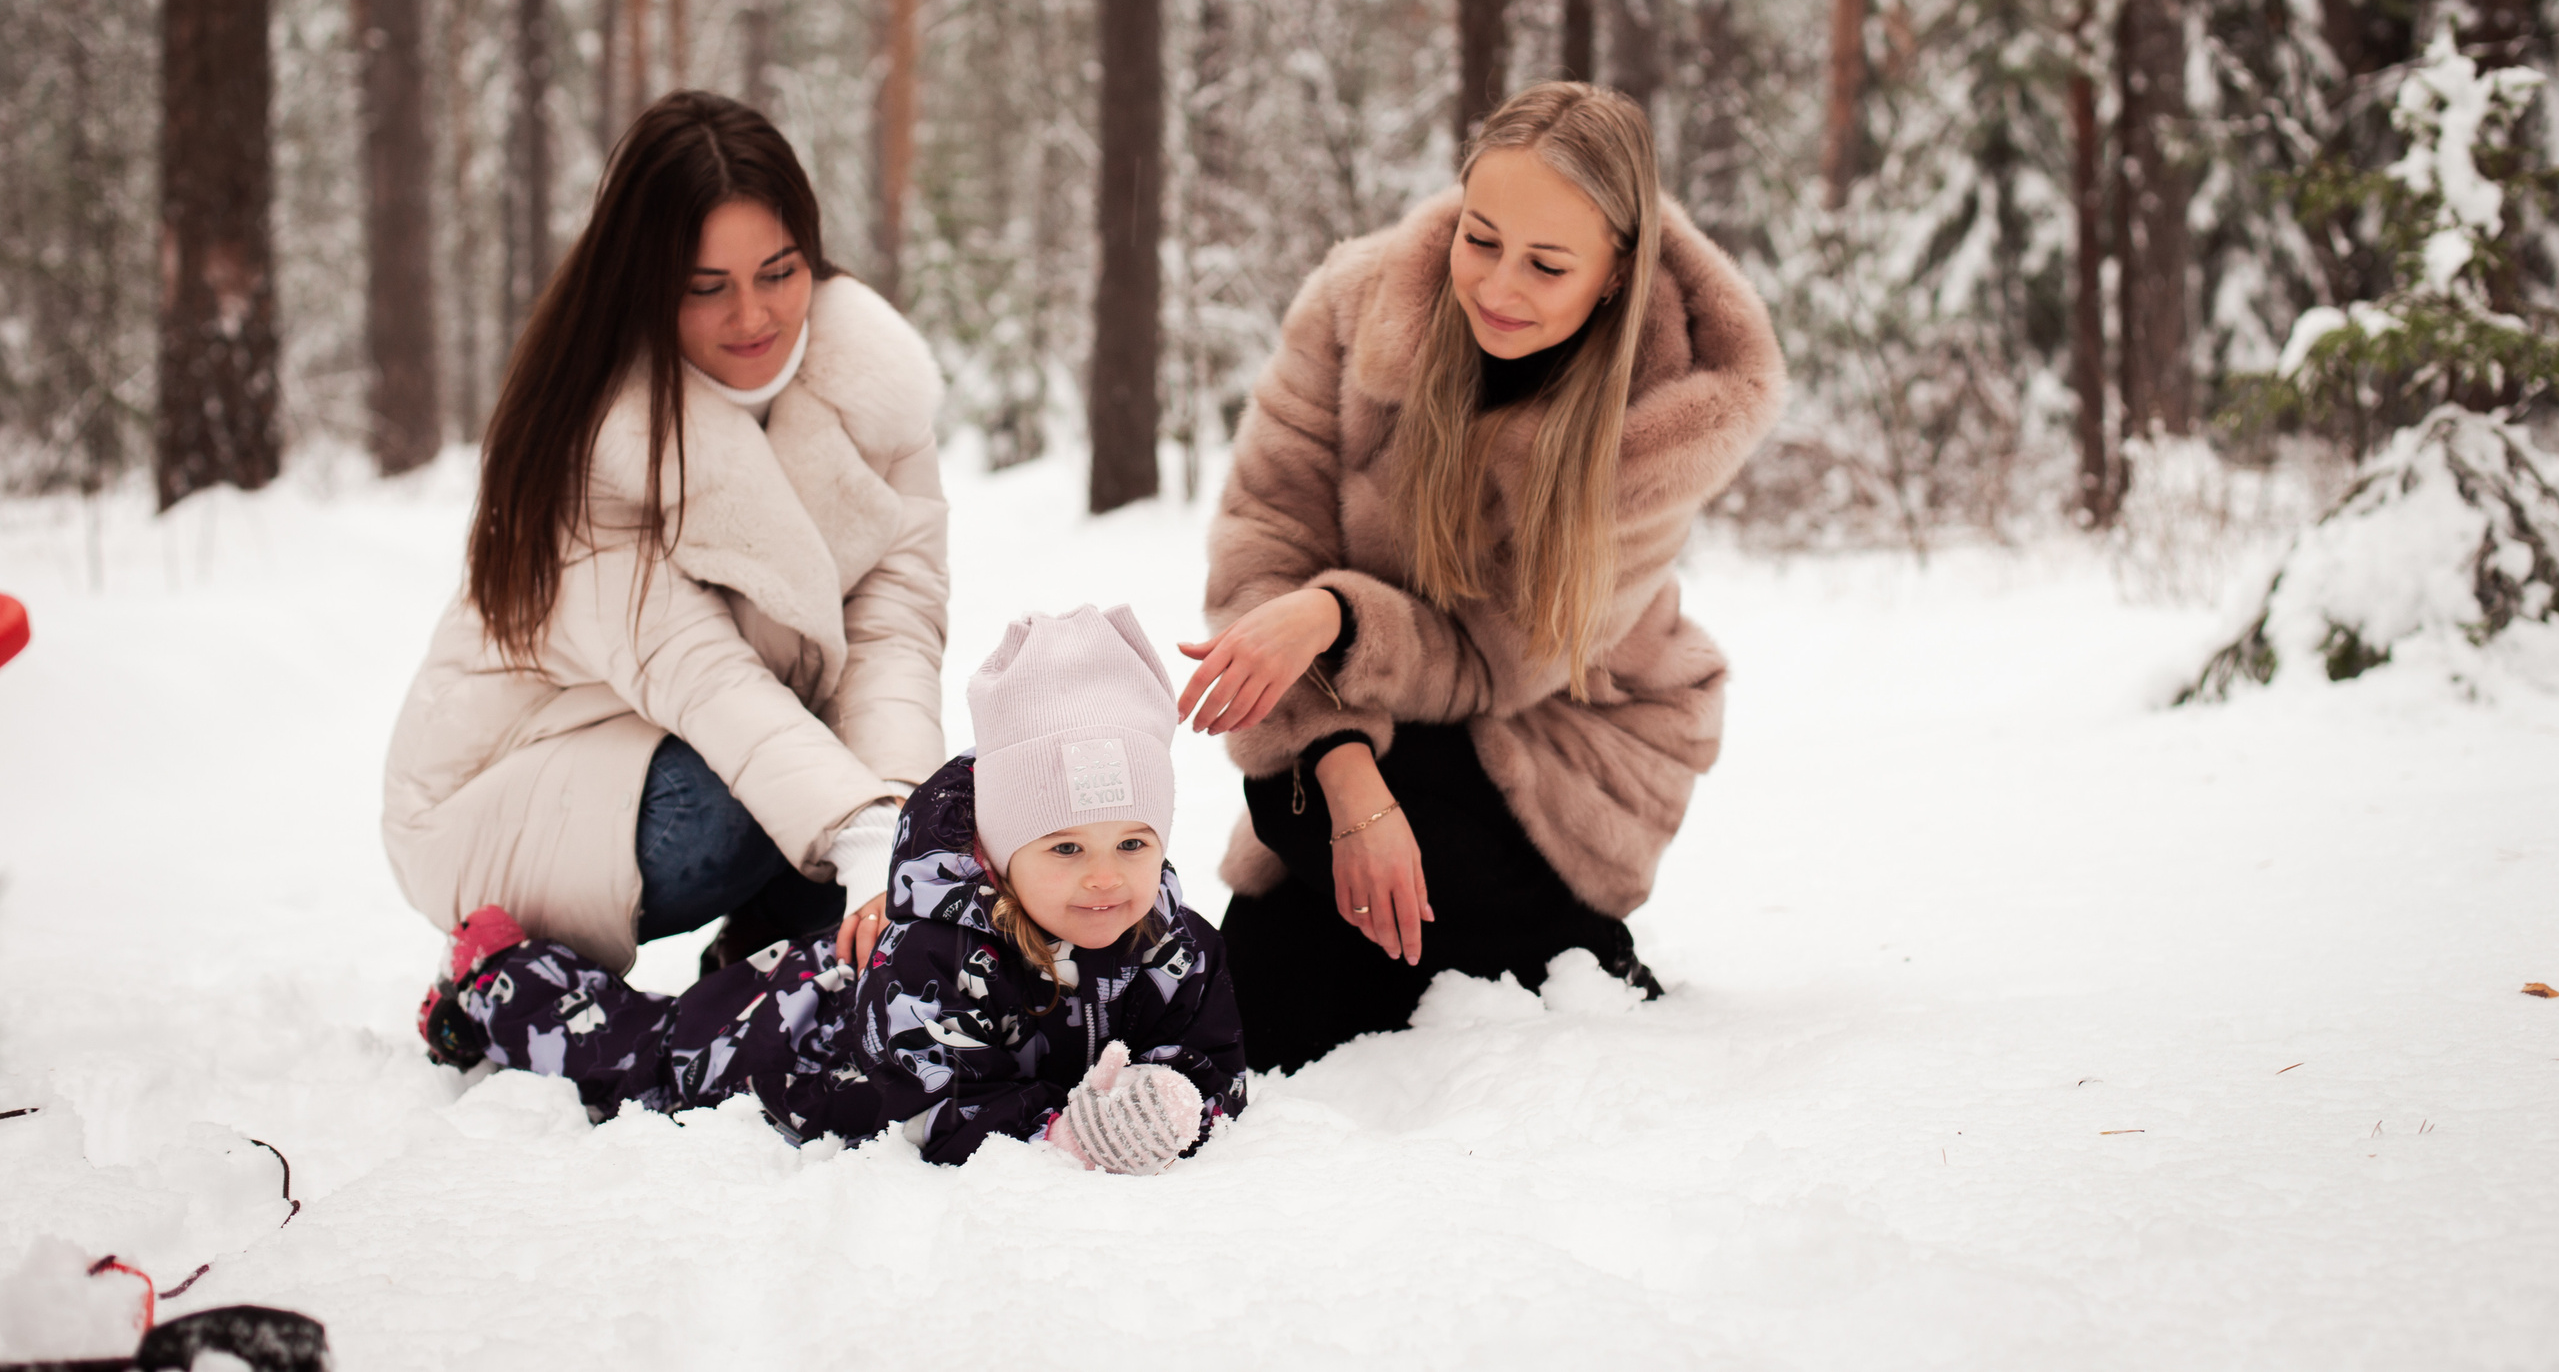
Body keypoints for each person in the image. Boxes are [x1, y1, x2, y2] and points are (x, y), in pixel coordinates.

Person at [1177, 81, 1786, 1073]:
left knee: (1328, 836)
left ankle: (1571, 952)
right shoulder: (1351, 304)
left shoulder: (1672, 409)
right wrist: (1344, 769)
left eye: (1548, 265)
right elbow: (1262, 537)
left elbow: (1489, 663)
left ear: (1613, 274)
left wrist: (1328, 616)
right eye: (1480, 238)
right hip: (1361, 730)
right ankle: (1440, 956)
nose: (1500, 287)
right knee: (1272, 928)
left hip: (1564, 748)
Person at [383, 91, 947, 1008]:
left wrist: (901, 830)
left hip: (706, 742)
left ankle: (772, 958)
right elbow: (698, 672)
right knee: (739, 802)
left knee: (924, 792)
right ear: (646, 282)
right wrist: (855, 829)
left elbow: (894, 632)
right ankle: (501, 967)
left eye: (779, 270)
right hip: (504, 788)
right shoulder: (591, 431)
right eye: (705, 286)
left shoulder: (876, 397)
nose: (754, 316)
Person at [416, 605, 1247, 1174]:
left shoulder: (1176, 948)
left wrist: (1174, 1099)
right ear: (997, 853)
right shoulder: (941, 953)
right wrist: (1066, 1133)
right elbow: (937, 1103)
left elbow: (1214, 1062)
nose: (1106, 877)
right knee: (639, 1055)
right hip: (792, 1034)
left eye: (1134, 842)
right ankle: (500, 980)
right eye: (1065, 846)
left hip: (846, 1001)